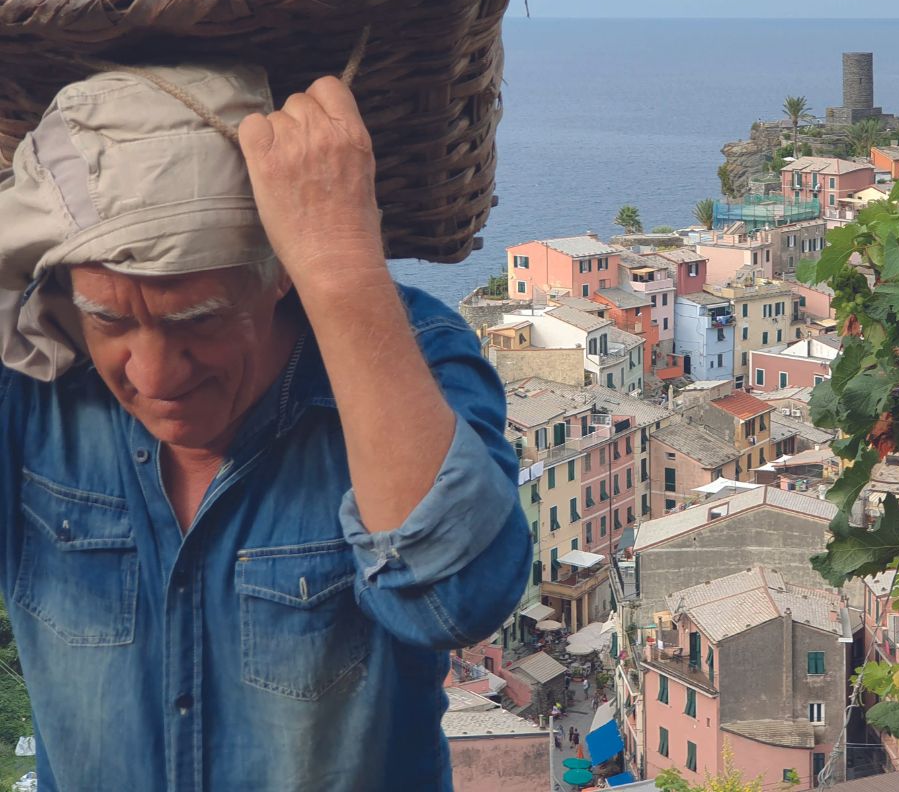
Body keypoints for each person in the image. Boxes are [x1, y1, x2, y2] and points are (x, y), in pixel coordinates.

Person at [0, 64, 532, 791]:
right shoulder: (34, 381)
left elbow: (458, 597)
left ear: (282, 271)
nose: (154, 377)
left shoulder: (409, 353)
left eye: (200, 321)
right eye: (109, 320)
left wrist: (343, 265)